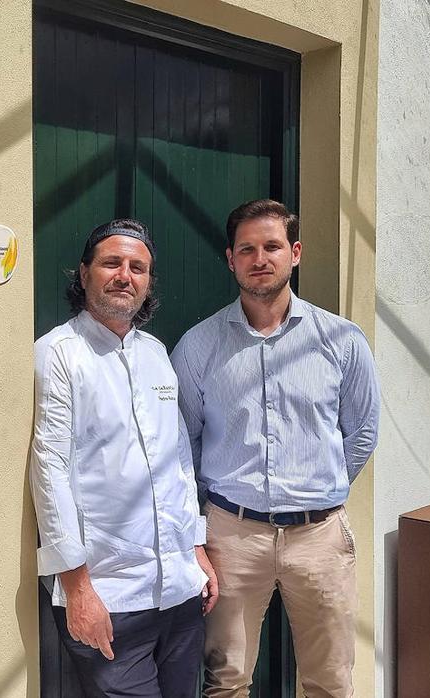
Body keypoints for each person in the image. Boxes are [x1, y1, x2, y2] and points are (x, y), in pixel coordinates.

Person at [170, 199, 380, 698]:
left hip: (319, 536)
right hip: (232, 536)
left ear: (296, 252)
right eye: (247, 249)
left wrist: (318, 487)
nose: (259, 258)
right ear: (230, 259)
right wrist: (208, 520)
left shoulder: (342, 341)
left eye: (272, 246)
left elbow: (363, 432)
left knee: (330, 681)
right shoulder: (198, 347)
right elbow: (184, 443)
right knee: (225, 681)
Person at [30, 218, 219, 698]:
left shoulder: (156, 353)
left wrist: (196, 549)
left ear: (148, 282)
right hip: (108, 594)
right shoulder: (59, 353)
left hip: (178, 589)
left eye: (138, 267)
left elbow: (178, 462)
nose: (125, 275)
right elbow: (49, 471)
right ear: (85, 272)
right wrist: (75, 589)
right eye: (112, 262)